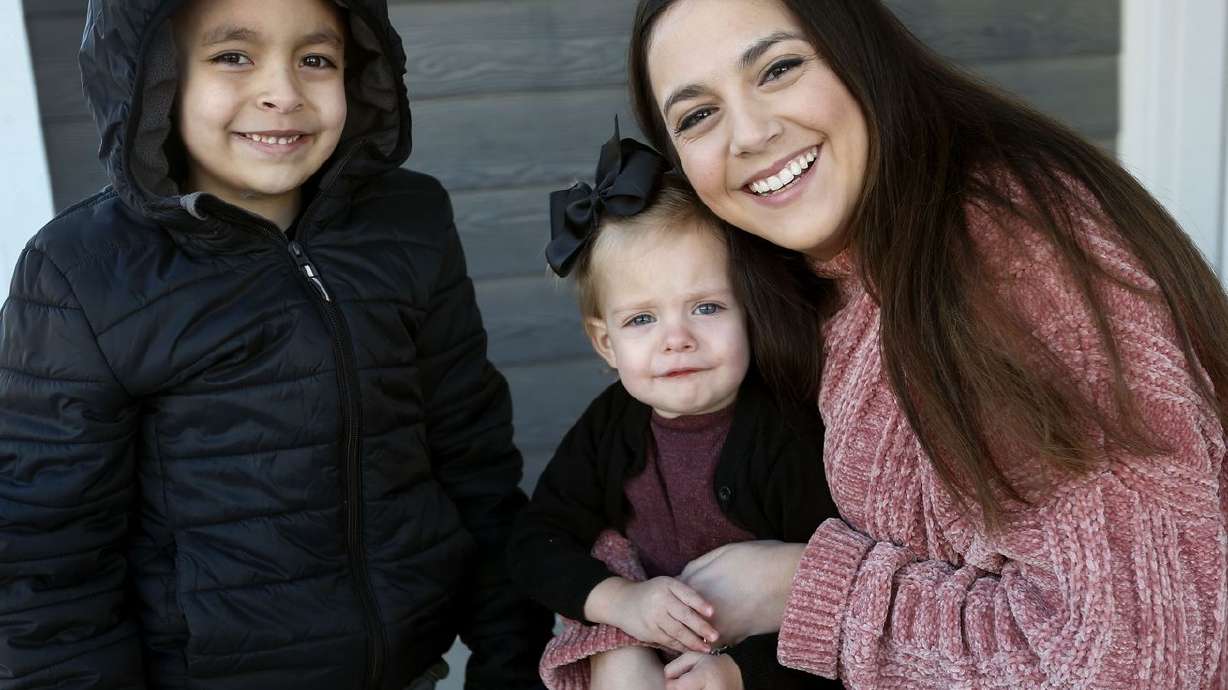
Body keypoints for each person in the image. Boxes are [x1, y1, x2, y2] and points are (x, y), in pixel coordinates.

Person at [624, 0, 1228, 687]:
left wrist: (805, 590)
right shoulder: (822, 279)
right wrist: (615, 629)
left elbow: (1135, 661)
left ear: (858, 53)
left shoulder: (1007, 255)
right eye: (698, 115)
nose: (751, 133)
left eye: (779, 68)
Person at [0, 0, 552, 687]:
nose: (283, 93)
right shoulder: (82, 273)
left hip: (413, 669)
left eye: (316, 59)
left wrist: (513, 664)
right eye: (233, 56)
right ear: (152, 76)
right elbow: (50, 556)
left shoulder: (409, 224)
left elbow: (476, 464)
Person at [506, 127, 840, 690]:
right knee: (619, 663)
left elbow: (826, 607)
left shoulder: (785, 433)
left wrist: (740, 672)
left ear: (749, 314)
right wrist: (622, 601)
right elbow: (538, 542)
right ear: (605, 342)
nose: (676, 339)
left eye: (706, 307)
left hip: (759, 651)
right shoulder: (610, 426)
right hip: (641, 616)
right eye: (641, 319)